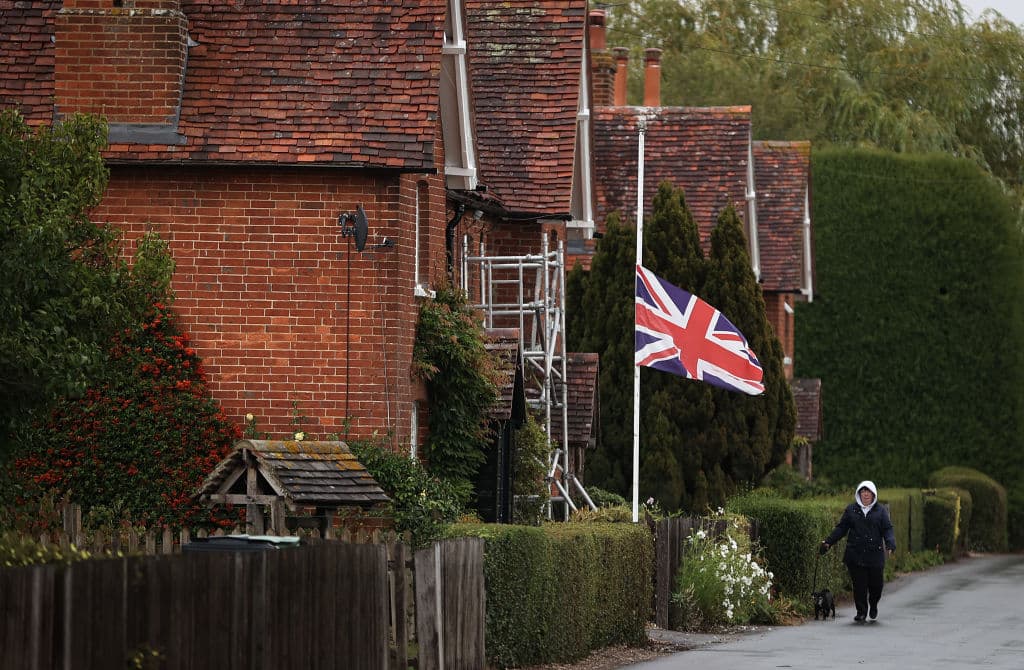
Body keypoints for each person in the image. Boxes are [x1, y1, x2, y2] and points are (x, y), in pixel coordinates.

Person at [819, 480, 896, 622]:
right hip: (855, 555)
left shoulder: (881, 511)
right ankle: (861, 611)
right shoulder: (851, 510)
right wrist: (829, 541)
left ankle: (873, 604)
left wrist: (890, 544)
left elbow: (887, 529)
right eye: (863, 491)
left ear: (874, 494)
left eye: (868, 492)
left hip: (875, 556)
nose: (866, 494)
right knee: (859, 586)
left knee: (876, 586)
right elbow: (841, 528)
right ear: (859, 494)